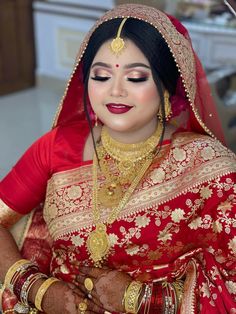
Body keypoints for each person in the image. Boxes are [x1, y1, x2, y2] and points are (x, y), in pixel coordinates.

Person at [0, 3, 235, 314]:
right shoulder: (56, 147)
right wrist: (39, 290)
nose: (115, 91)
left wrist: (142, 299)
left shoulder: (208, 166)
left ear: (166, 86)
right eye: (101, 76)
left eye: (136, 77)